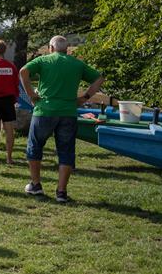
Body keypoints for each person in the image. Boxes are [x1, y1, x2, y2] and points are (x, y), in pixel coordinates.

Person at [20, 35, 104, 203]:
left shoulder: (44, 60)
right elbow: (99, 78)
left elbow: (23, 71)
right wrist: (85, 97)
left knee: (35, 146)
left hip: (44, 110)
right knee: (66, 151)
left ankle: (36, 185)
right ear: (67, 49)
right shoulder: (77, 64)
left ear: (51, 48)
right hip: (68, 111)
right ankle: (61, 192)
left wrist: (31, 94)